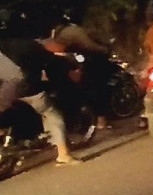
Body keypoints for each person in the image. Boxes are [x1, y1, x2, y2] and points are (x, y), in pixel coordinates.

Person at [0, 36, 81, 165]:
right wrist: (70, 65)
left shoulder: (4, 47)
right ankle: (63, 154)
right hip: (26, 89)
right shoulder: (29, 45)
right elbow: (51, 59)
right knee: (52, 113)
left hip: (5, 92)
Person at [51, 11, 113, 129]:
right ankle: (101, 120)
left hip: (65, 64)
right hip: (78, 63)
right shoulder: (74, 31)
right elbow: (88, 45)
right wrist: (104, 50)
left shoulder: (57, 31)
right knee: (99, 86)